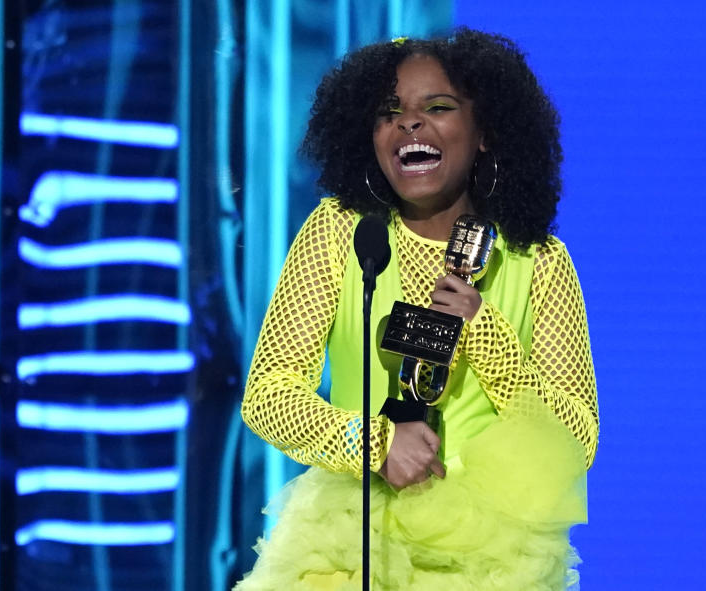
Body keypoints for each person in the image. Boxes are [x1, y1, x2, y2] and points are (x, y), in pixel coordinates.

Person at [236, 28, 599, 590]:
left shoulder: (539, 260)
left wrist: (486, 338)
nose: (409, 123)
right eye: (389, 112)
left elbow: (577, 439)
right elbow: (268, 396)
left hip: (491, 556)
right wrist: (375, 445)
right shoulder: (339, 231)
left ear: (484, 132)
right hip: (350, 539)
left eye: (438, 107)